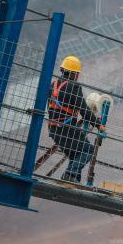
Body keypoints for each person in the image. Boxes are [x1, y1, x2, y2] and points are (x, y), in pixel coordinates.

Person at [47, 55, 103, 183]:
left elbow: (53, 107)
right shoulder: (74, 87)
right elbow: (83, 109)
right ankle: (69, 174)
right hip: (67, 129)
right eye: (77, 73)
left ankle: (73, 180)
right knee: (88, 150)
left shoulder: (53, 84)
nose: (77, 76)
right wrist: (98, 124)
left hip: (54, 129)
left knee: (75, 154)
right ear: (73, 73)